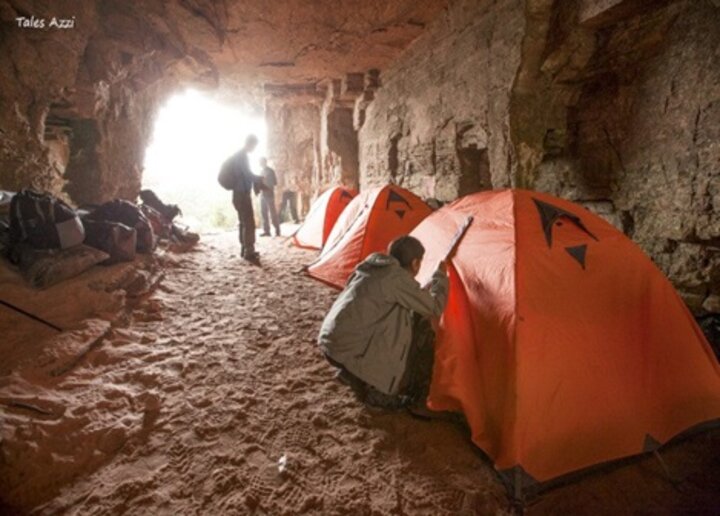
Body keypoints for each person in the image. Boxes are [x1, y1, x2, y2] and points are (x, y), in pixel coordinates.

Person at [318, 235, 449, 410]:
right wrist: (441, 276)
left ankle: (352, 373)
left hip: (331, 342)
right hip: (346, 348)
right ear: (416, 263)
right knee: (403, 325)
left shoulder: (372, 268)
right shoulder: (396, 278)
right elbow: (434, 307)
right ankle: (372, 391)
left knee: (393, 313)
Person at [223, 134, 265, 264]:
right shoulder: (242, 157)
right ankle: (249, 251)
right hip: (242, 194)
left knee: (243, 222)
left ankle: (244, 249)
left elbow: (245, 174)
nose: (254, 148)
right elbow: (247, 174)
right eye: (254, 146)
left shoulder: (238, 156)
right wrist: (259, 179)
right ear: (250, 144)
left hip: (237, 194)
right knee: (249, 223)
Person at [258, 157, 281, 237]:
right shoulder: (261, 172)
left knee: (272, 213)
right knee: (263, 213)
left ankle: (277, 230)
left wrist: (266, 184)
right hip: (262, 194)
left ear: (265, 162)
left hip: (269, 194)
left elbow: (274, 182)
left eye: (261, 162)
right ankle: (267, 231)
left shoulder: (270, 171)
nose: (260, 163)